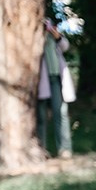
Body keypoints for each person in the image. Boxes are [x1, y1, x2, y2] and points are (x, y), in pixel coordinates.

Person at [38, 18, 77, 158]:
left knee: (61, 112)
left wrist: (56, 35)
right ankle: (41, 148)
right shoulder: (34, 33)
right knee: (40, 115)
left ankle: (65, 148)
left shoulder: (53, 35)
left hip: (56, 78)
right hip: (40, 80)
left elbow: (65, 46)